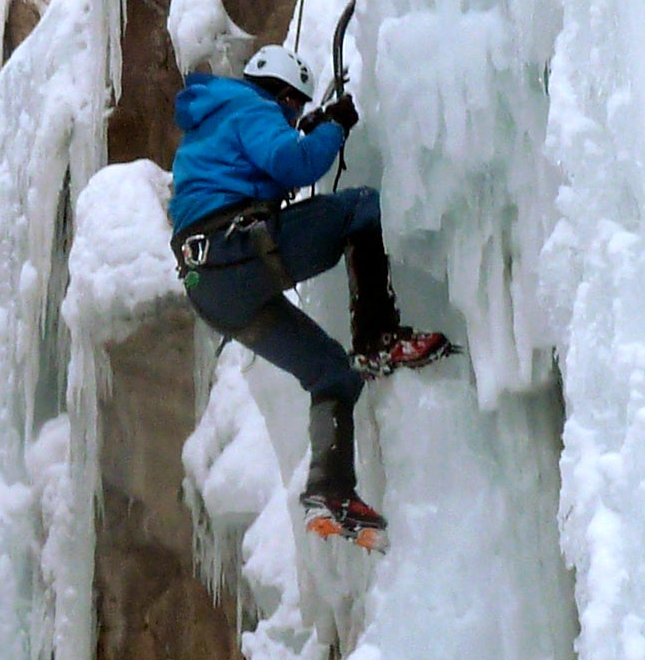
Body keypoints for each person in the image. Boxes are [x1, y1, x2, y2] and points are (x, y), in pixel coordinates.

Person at [167, 44, 454, 549]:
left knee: (332, 374)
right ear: (283, 93)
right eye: (294, 107)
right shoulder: (251, 106)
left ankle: (331, 490)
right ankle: (379, 335)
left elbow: (262, 162)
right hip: (238, 250)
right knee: (361, 207)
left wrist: (309, 127)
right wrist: (333, 127)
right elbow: (293, 162)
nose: (294, 115)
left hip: (212, 290)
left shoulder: (212, 121)